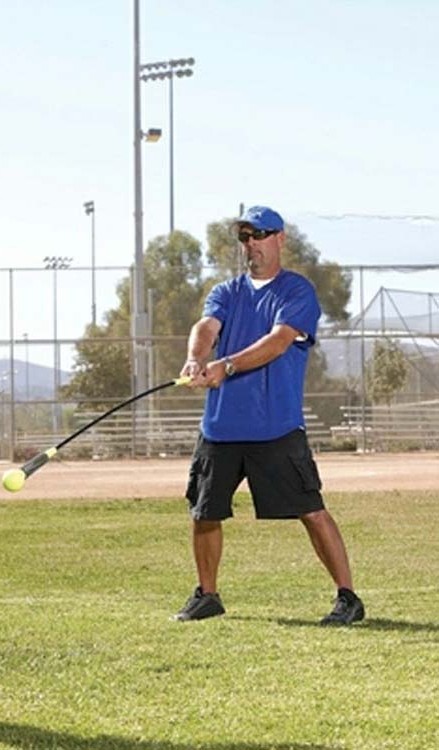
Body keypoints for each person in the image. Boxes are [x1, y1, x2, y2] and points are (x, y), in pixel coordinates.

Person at [174, 205, 364, 626]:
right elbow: (207, 327)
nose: (252, 244)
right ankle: (208, 595)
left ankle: (348, 597)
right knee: (204, 512)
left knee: (311, 511)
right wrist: (195, 358)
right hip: (220, 428)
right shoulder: (226, 291)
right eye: (245, 237)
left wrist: (225, 366)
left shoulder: (297, 291)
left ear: (280, 238)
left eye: (259, 235)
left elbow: (278, 342)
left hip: (274, 428)